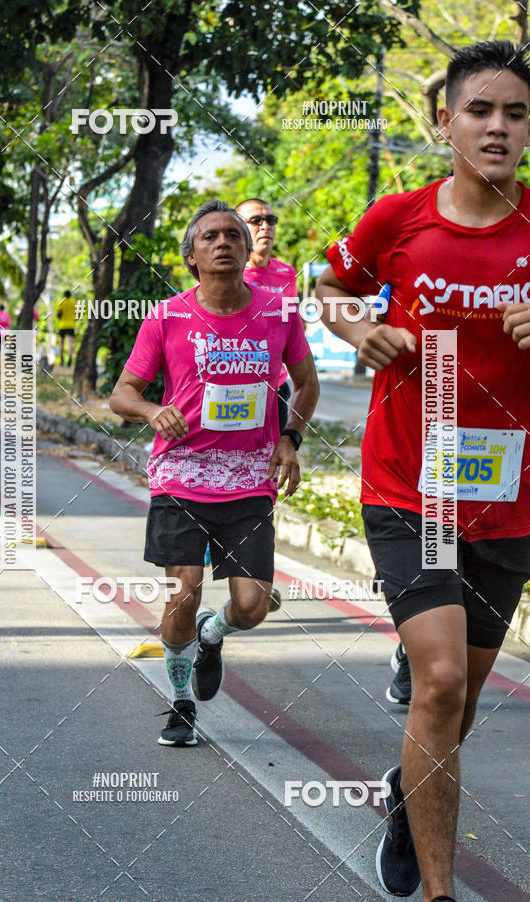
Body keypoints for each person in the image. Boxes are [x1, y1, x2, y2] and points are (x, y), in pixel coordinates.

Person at [317, 40, 530, 902]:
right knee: (438, 680)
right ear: (444, 121)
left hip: (512, 501)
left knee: (457, 704)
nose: (498, 127)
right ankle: (439, 894)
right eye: (480, 110)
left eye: (515, 113)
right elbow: (329, 287)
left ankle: (409, 800)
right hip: (411, 489)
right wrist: (355, 327)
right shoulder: (396, 218)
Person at [110, 200, 319, 747]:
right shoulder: (167, 316)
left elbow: (307, 384)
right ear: (192, 256)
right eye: (210, 237)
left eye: (233, 235)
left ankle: (214, 634)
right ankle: (180, 701)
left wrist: (290, 439)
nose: (224, 242)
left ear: (248, 251)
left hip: (250, 481)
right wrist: (152, 411)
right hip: (181, 476)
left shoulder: (279, 312)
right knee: (183, 594)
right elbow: (121, 395)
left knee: (251, 607)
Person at [236, 198, 298, 433]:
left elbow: (291, 325)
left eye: (271, 220)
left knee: (272, 459)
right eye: (256, 220)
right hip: (234, 384)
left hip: (276, 384)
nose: (266, 226)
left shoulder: (287, 273)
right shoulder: (225, 273)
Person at [56, 290, 76, 366]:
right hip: (71, 325)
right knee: (70, 343)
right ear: (70, 295)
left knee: (61, 343)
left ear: (64, 295)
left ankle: (62, 360)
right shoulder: (73, 303)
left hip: (62, 325)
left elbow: (58, 313)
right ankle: (70, 358)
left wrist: (60, 317)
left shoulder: (61, 302)